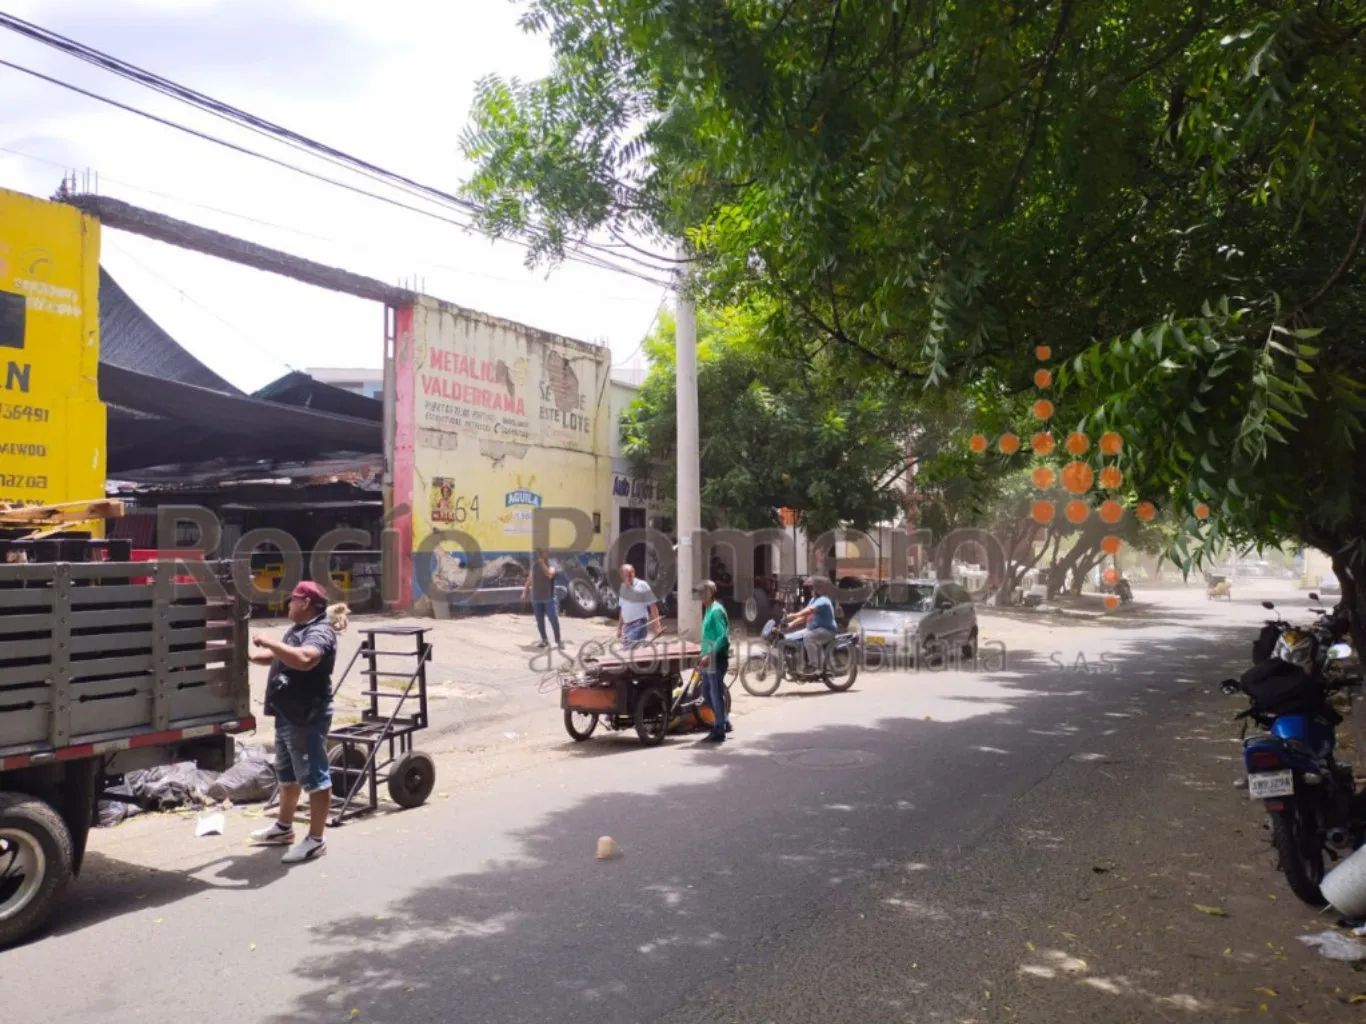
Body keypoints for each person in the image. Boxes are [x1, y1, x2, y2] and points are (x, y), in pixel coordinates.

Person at [248, 581, 348, 864]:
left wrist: (269, 641)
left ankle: (316, 840)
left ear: (305, 603)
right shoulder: (299, 629)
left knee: (315, 777)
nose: (288, 604)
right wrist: (252, 655)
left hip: (307, 715)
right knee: (288, 775)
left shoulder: (321, 632)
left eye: (292, 599)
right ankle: (283, 828)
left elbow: (304, 659)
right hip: (287, 713)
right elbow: (282, 654)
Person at [695, 579, 732, 742]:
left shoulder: (716, 611)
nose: (700, 596)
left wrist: (709, 655)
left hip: (715, 659)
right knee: (706, 693)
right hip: (708, 659)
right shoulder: (709, 609)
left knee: (715, 694)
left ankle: (719, 730)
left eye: (702, 593)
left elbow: (723, 637)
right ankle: (724, 721)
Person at [782, 576, 838, 673]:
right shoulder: (813, 600)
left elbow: (809, 610)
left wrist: (793, 615)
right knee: (789, 637)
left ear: (818, 589)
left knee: (808, 637)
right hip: (814, 629)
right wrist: (790, 624)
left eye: (812, 588)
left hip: (826, 630)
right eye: (810, 588)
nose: (810, 590)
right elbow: (805, 617)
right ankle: (800, 663)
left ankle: (815, 666)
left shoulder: (824, 600)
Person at [521, 547, 563, 649]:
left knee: (553, 619)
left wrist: (542, 563)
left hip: (549, 597)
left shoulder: (552, 563)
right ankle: (544, 640)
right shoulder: (535, 564)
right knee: (539, 620)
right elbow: (530, 578)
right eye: (538, 552)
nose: (539, 554)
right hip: (536, 597)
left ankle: (558, 641)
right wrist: (524, 592)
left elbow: (549, 575)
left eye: (541, 552)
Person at [618, 563, 660, 643]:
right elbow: (622, 609)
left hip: (639, 624)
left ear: (634, 572)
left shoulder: (642, 585)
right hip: (627, 627)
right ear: (622, 576)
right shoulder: (623, 588)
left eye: (631, 573)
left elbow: (653, 605)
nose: (629, 577)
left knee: (631, 647)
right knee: (627, 649)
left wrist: (657, 625)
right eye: (627, 575)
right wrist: (619, 628)